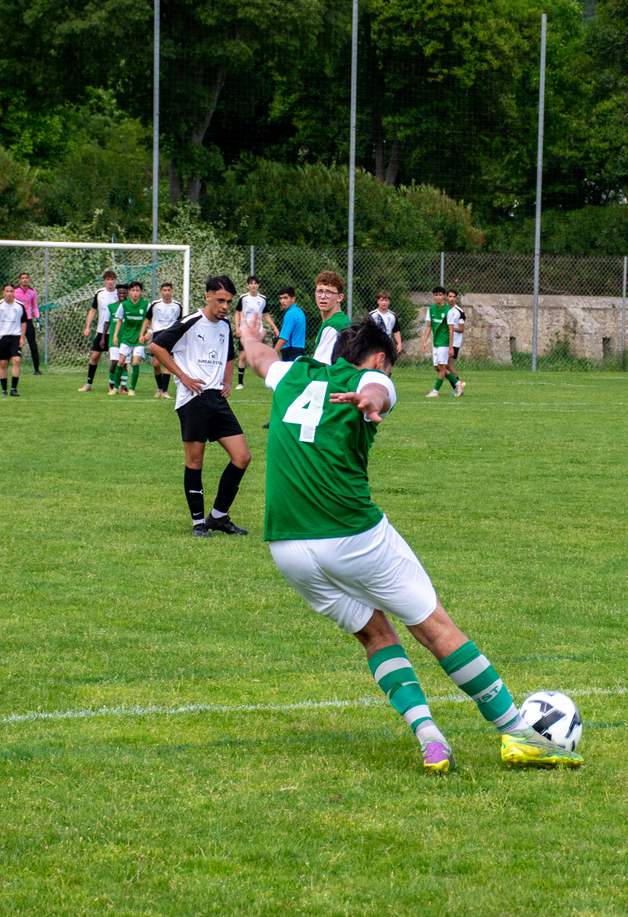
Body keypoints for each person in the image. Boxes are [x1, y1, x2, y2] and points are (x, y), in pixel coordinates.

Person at [238, 315, 582, 772]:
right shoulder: (372, 378)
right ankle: (518, 734)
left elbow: (261, 358)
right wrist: (369, 397)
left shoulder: (293, 372)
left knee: (374, 634)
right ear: (380, 358)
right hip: (350, 535)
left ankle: (429, 737)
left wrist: (248, 334)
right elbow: (377, 389)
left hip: (287, 545)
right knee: (435, 627)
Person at [148, 276, 251, 537]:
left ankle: (218, 516)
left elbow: (229, 355)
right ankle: (198, 523)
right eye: (220, 300)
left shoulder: (225, 326)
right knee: (195, 461)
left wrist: (228, 381)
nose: (225, 306)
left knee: (242, 457)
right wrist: (183, 377)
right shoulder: (191, 322)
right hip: (193, 399)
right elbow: (156, 346)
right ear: (208, 297)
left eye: (229, 302)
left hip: (217, 399)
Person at [77, 269, 120, 393]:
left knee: (117, 359)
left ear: (115, 280)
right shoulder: (99, 293)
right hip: (101, 331)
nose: (110, 282)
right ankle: (89, 384)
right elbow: (93, 310)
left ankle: (116, 385)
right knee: (95, 356)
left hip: (115, 332)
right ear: (104, 281)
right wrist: (87, 327)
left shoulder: (119, 293)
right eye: (108, 279)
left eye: (112, 279)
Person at [235, 275, 277, 389]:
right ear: (248, 285)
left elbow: (266, 315)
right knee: (243, 356)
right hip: (245, 332)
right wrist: (237, 328)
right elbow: (237, 312)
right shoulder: (243, 298)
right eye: (251, 283)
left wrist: (274, 326)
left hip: (257, 333)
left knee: (259, 356)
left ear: (258, 285)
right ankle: (240, 383)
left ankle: (266, 380)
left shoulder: (262, 299)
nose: (253, 285)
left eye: (255, 283)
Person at [110, 280, 150, 396]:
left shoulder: (146, 305)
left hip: (139, 338)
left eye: (137, 290)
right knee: (121, 361)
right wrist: (115, 335)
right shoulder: (124, 305)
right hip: (126, 337)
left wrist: (148, 332)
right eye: (133, 290)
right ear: (129, 292)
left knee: (135, 362)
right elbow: (119, 320)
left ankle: (132, 389)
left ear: (141, 292)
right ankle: (115, 387)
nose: (135, 293)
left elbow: (151, 319)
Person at [422, 287, 465, 397]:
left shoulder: (448, 311)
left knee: (442, 367)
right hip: (436, 342)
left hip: (444, 342)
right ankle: (458, 383)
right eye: (436, 295)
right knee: (437, 368)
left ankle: (435, 391)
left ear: (444, 296)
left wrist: (450, 347)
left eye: (440, 295)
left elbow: (451, 329)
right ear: (433, 296)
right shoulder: (431, 309)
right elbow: (429, 326)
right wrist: (424, 341)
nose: (438, 297)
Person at [145, 281, 184, 398]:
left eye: (168, 290)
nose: (167, 292)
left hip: (170, 334)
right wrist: (146, 332)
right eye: (164, 290)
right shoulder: (155, 304)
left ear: (172, 292)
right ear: (161, 292)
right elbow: (148, 319)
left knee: (168, 362)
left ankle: (164, 391)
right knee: (156, 364)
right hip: (157, 334)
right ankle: (160, 388)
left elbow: (180, 322)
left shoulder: (177, 306)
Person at [0, 283, 27, 396]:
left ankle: (14, 389)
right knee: (3, 363)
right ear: (3, 292)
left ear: (14, 292)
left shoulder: (19, 306)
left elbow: (23, 322)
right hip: (2, 337)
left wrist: (22, 337)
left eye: (11, 291)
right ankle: (4, 390)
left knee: (16, 360)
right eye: (7, 291)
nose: (9, 294)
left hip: (15, 337)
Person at [312, 271, 352, 365]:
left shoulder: (333, 325)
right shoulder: (343, 319)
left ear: (340, 297)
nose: (323, 296)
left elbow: (320, 365)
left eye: (329, 292)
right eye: (320, 291)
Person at [12, 272, 42, 374]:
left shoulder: (32, 292)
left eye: (26, 278)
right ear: (19, 280)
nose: (24, 280)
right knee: (17, 344)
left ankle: (37, 369)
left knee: (33, 344)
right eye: (22, 278)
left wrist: (38, 318)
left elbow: (34, 305)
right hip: (17, 321)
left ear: (29, 280)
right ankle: (15, 368)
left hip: (28, 320)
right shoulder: (15, 291)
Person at [276, 285, 307, 360]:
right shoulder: (299, 311)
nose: (282, 301)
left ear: (293, 299)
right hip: (300, 351)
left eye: (285, 298)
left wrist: (273, 353)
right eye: (281, 298)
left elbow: (283, 338)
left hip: (291, 352)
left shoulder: (291, 314)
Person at [369, 290, 402, 354]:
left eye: (386, 300)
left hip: (387, 345)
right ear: (378, 301)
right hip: (374, 345)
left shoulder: (393, 316)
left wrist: (399, 344)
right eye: (382, 300)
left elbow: (396, 331)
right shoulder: (372, 315)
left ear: (389, 302)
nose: (384, 302)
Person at [446, 289, 466, 363]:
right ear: (446, 297)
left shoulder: (459, 312)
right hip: (444, 339)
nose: (452, 299)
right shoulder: (443, 309)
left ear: (456, 298)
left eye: (454, 297)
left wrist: (451, 328)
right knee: (441, 365)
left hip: (455, 341)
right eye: (450, 296)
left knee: (448, 365)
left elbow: (461, 329)